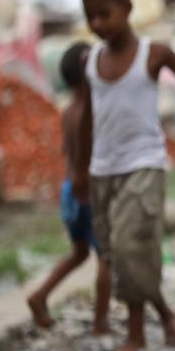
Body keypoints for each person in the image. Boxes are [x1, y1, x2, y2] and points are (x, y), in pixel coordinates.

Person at [76, 0, 175, 351]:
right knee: (116, 254)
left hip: (144, 165)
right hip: (104, 169)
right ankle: (166, 313)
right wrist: (79, 170)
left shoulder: (153, 54)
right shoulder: (91, 62)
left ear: (127, 7)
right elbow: (87, 117)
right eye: (91, 17)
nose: (98, 23)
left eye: (105, 13)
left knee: (127, 247)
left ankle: (135, 333)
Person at [27, 42, 112, 334]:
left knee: (78, 253)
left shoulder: (67, 111)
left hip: (69, 191)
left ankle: (40, 295)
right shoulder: (90, 112)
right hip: (87, 191)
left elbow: (68, 152)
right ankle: (100, 322)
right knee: (106, 257)